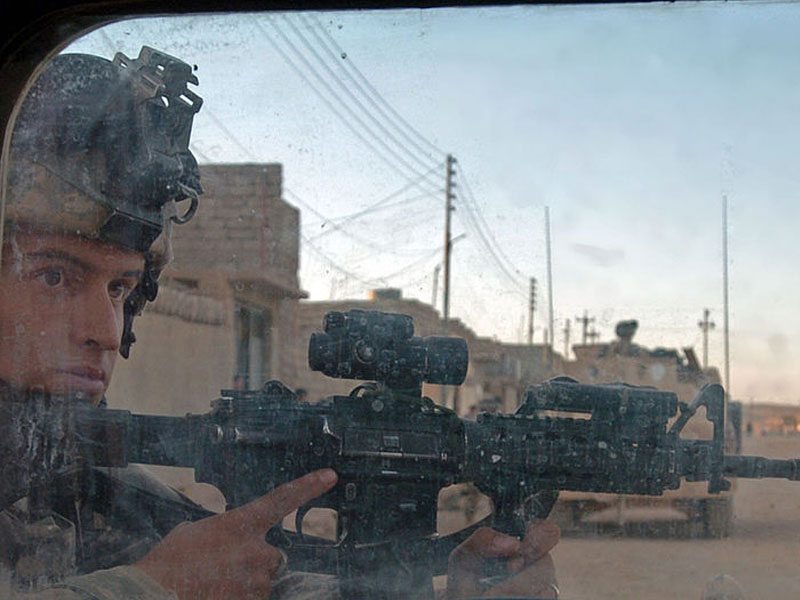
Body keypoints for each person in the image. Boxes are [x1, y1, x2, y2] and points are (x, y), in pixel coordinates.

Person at [0, 46, 560, 599]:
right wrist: (156, 591)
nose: (106, 327)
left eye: (122, 288)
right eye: (54, 278)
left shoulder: (92, 492)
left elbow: (268, 584)